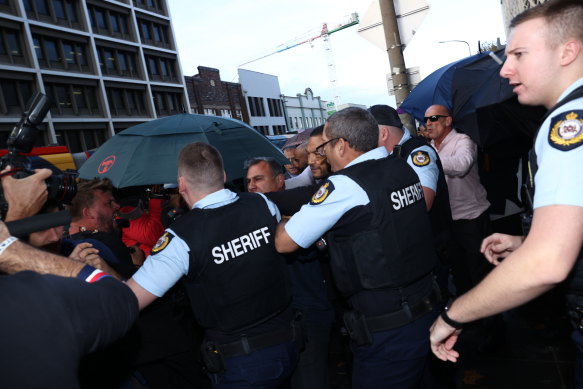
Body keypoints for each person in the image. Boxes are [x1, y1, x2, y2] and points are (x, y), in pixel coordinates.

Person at [429, 2, 583, 385]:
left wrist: (453, 314)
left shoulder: (569, 124)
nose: (505, 69)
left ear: (568, 51)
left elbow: (547, 263)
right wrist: (529, 240)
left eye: (519, 54)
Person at [275, 107, 440, 389]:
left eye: (324, 146)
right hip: (426, 307)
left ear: (341, 145)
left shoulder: (345, 185)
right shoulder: (401, 166)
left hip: (387, 327)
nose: (322, 155)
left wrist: (284, 222)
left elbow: (284, 242)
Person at [126, 142, 300, 388]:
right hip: (289, 342)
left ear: (182, 184)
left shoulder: (180, 238)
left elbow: (129, 300)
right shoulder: (262, 204)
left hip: (242, 362)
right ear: (224, 176)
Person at [247, 151, 334, 389]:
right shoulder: (250, 222)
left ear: (279, 181)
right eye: (248, 181)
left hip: (308, 315)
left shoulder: (303, 212)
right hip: (275, 321)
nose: (251, 186)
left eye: (258, 179)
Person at [368, 104, 452, 263]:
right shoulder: (391, 154)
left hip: (432, 246)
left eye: (368, 135)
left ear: (384, 133)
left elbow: (424, 202)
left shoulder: (418, 153)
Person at [423, 104, 492, 297]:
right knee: (460, 276)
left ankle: (491, 323)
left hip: (471, 218)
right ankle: (468, 322)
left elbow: (461, 165)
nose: (428, 123)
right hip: (446, 222)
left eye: (433, 118)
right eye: (426, 119)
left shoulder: (463, 140)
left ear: (448, 120)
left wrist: (427, 160)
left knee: (480, 275)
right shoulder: (428, 149)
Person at [67, 179, 137, 278]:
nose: (117, 206)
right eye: (109, 203)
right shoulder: (107, 243)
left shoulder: (64, 245)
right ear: (88, 213)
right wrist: (139, 264)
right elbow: (135, 290)